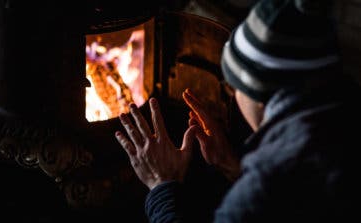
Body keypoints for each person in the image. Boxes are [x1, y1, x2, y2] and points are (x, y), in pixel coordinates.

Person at [115, 0, 361, 222]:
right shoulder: (346, 124)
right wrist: (233, 166)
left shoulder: (261, 187)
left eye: (233, 85)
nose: (232, 94)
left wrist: (162, 184)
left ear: (258, 93)